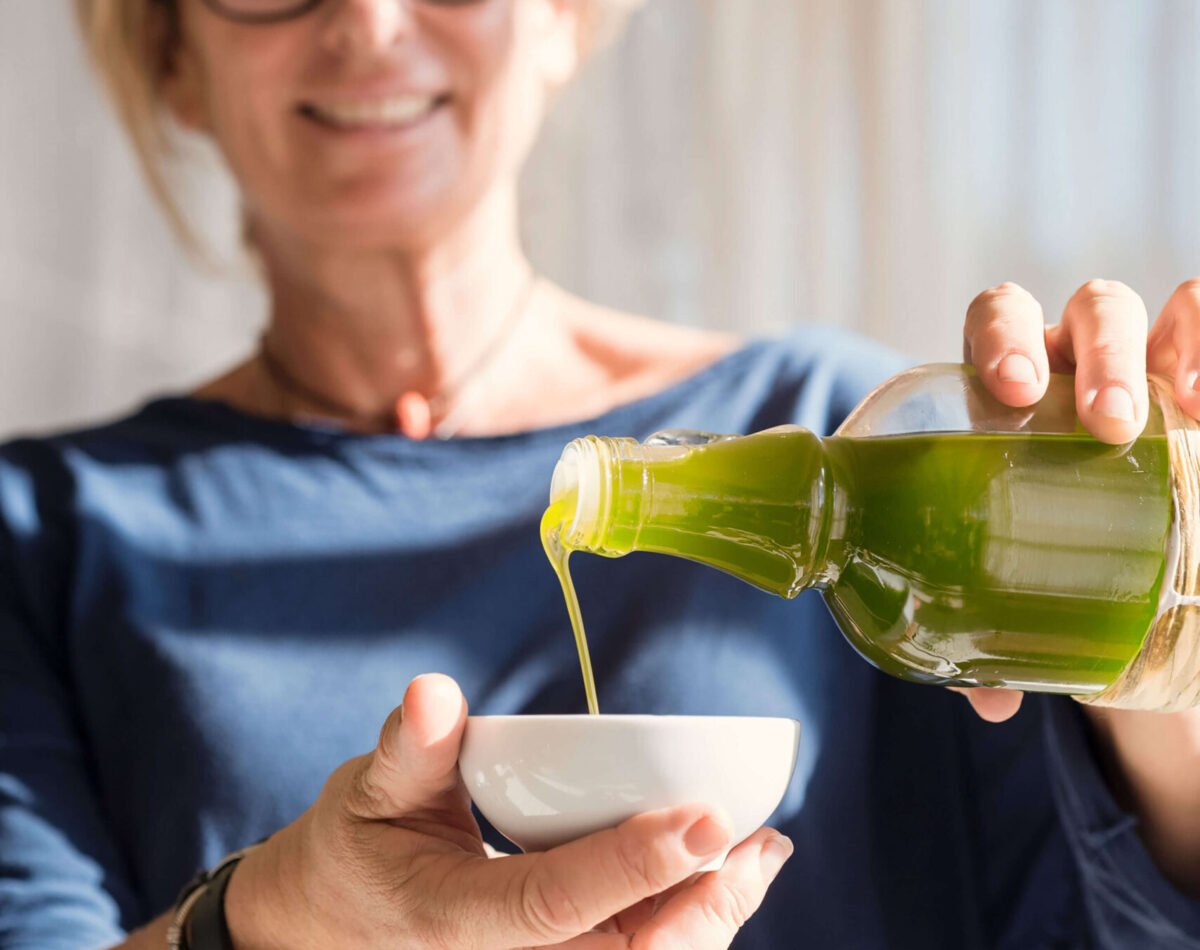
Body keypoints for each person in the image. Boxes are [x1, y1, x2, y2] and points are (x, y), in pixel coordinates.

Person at [1, 0, 1197, 946]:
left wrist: (1163, 676)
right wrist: (260, 924)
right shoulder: (45, 533)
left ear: (564, 14)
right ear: (169, 49)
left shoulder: (845, 434)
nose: (365, 20)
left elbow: (1107, 916)